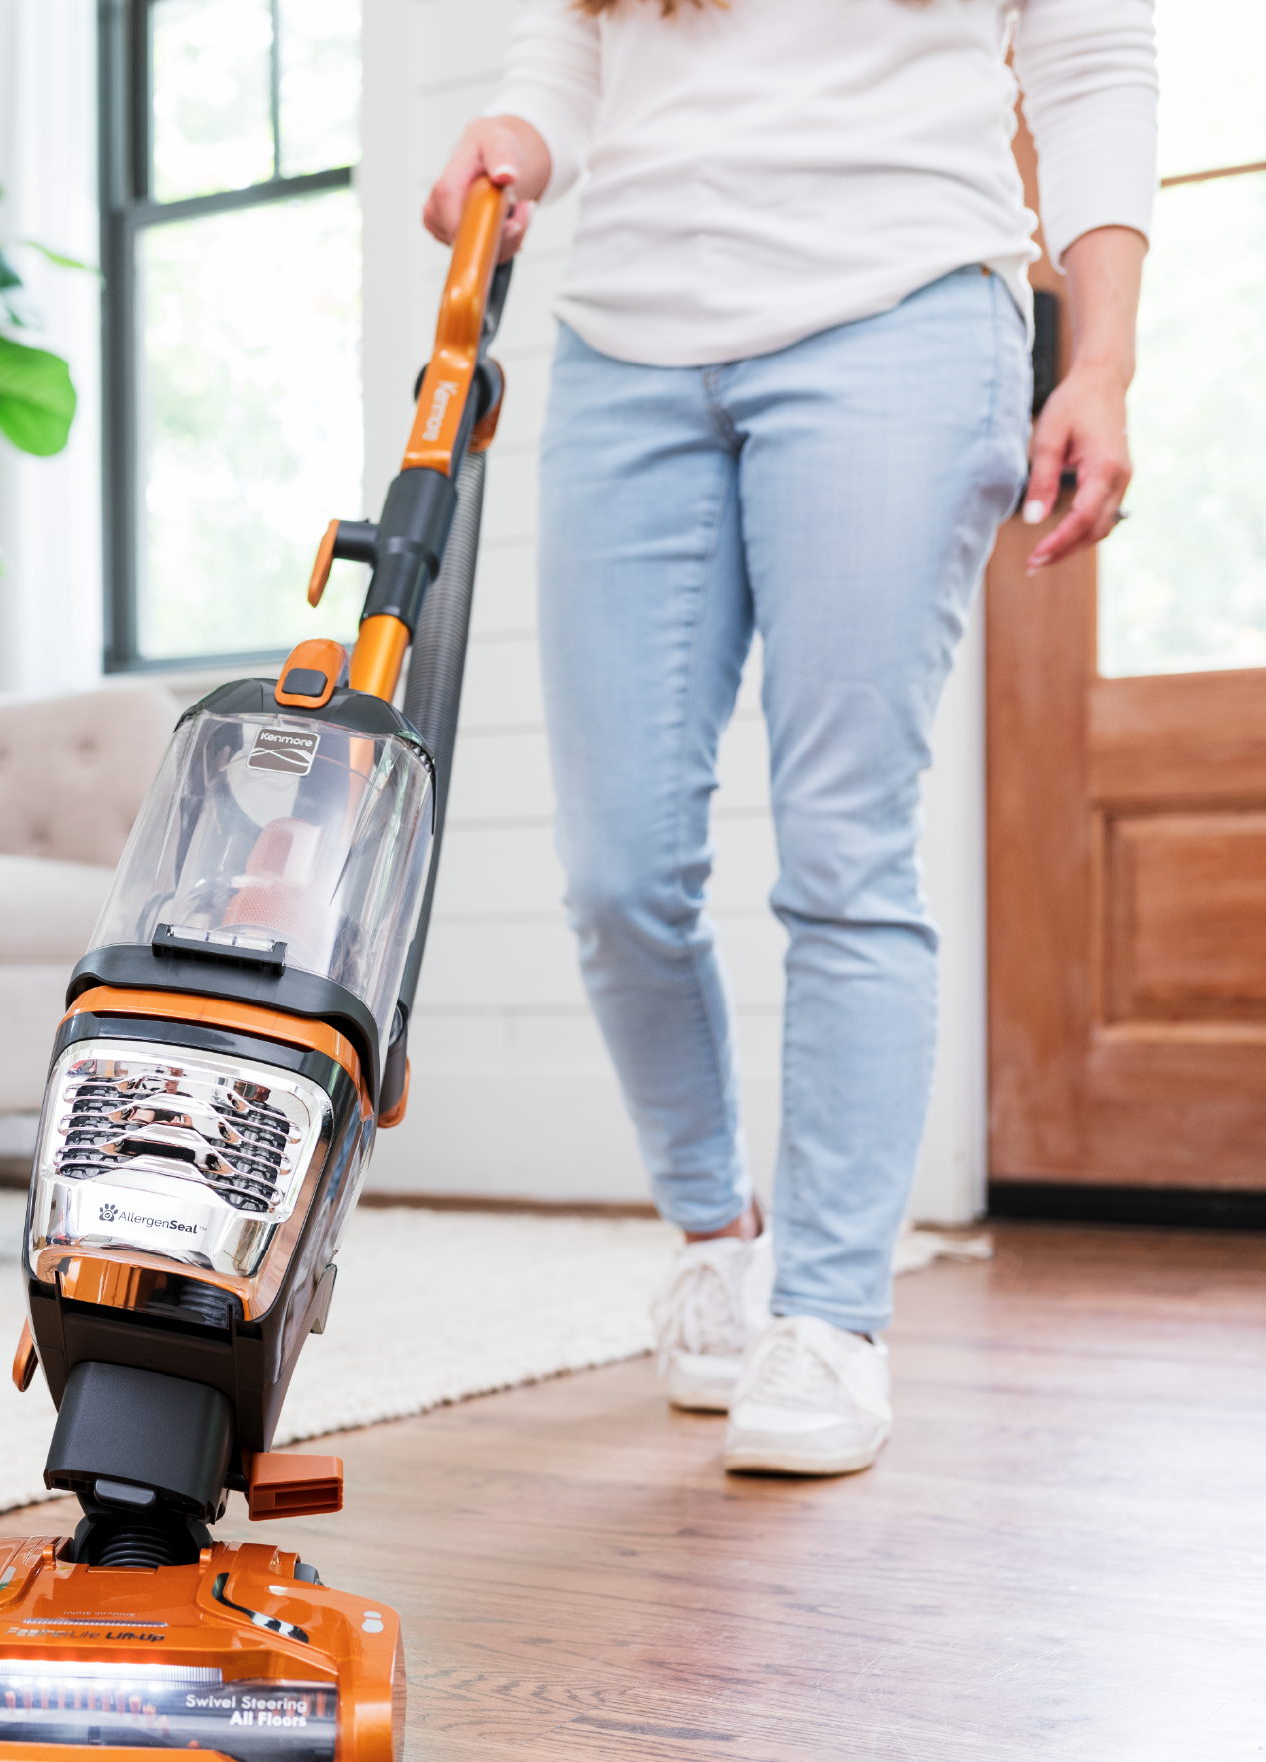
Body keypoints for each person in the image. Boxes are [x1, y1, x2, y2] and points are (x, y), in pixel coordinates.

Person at [425, 0, 1155, 1475]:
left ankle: (830, 1313)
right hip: (628, 346)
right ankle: (720, 1239)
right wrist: (521, 136)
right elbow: (575, 43)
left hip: (900, 307)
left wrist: (1103, 362)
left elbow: (1091, 64)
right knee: (619, 867)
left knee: (844, 843)